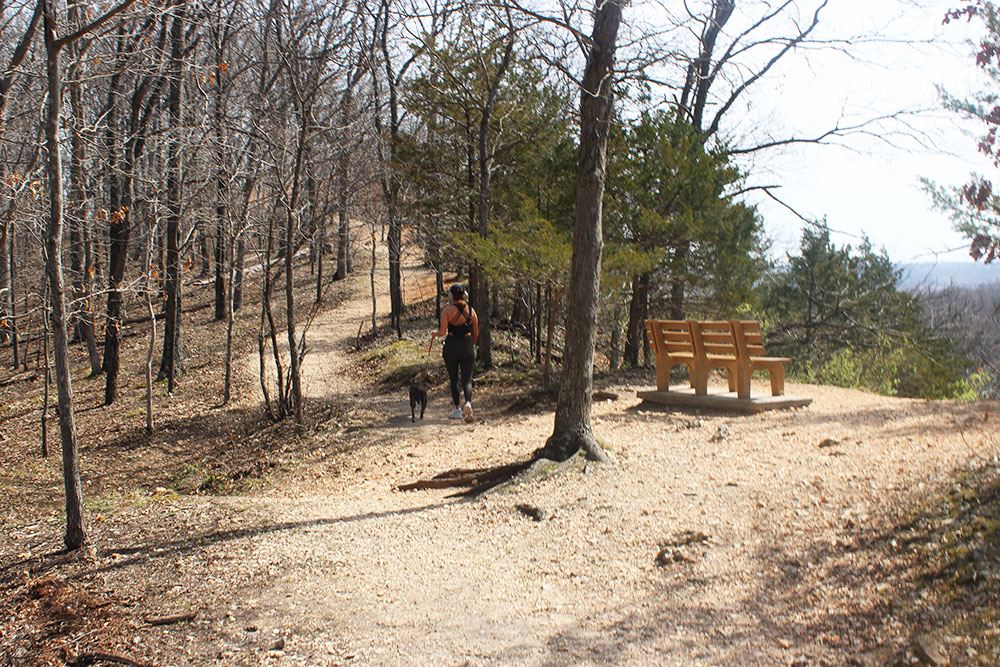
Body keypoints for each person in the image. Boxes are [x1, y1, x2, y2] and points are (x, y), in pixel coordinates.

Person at [430, 283, 478, 422]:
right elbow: (476, 333)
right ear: (464, 295)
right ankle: (468, 403)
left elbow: (442, 332)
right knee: (467, 380)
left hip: (451, 346)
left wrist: (434, 334)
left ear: (451, 296)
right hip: (467, 345)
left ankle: (457, 409)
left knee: (454, 380)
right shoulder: (471, 311)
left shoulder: (447, 311)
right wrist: (472, 345)